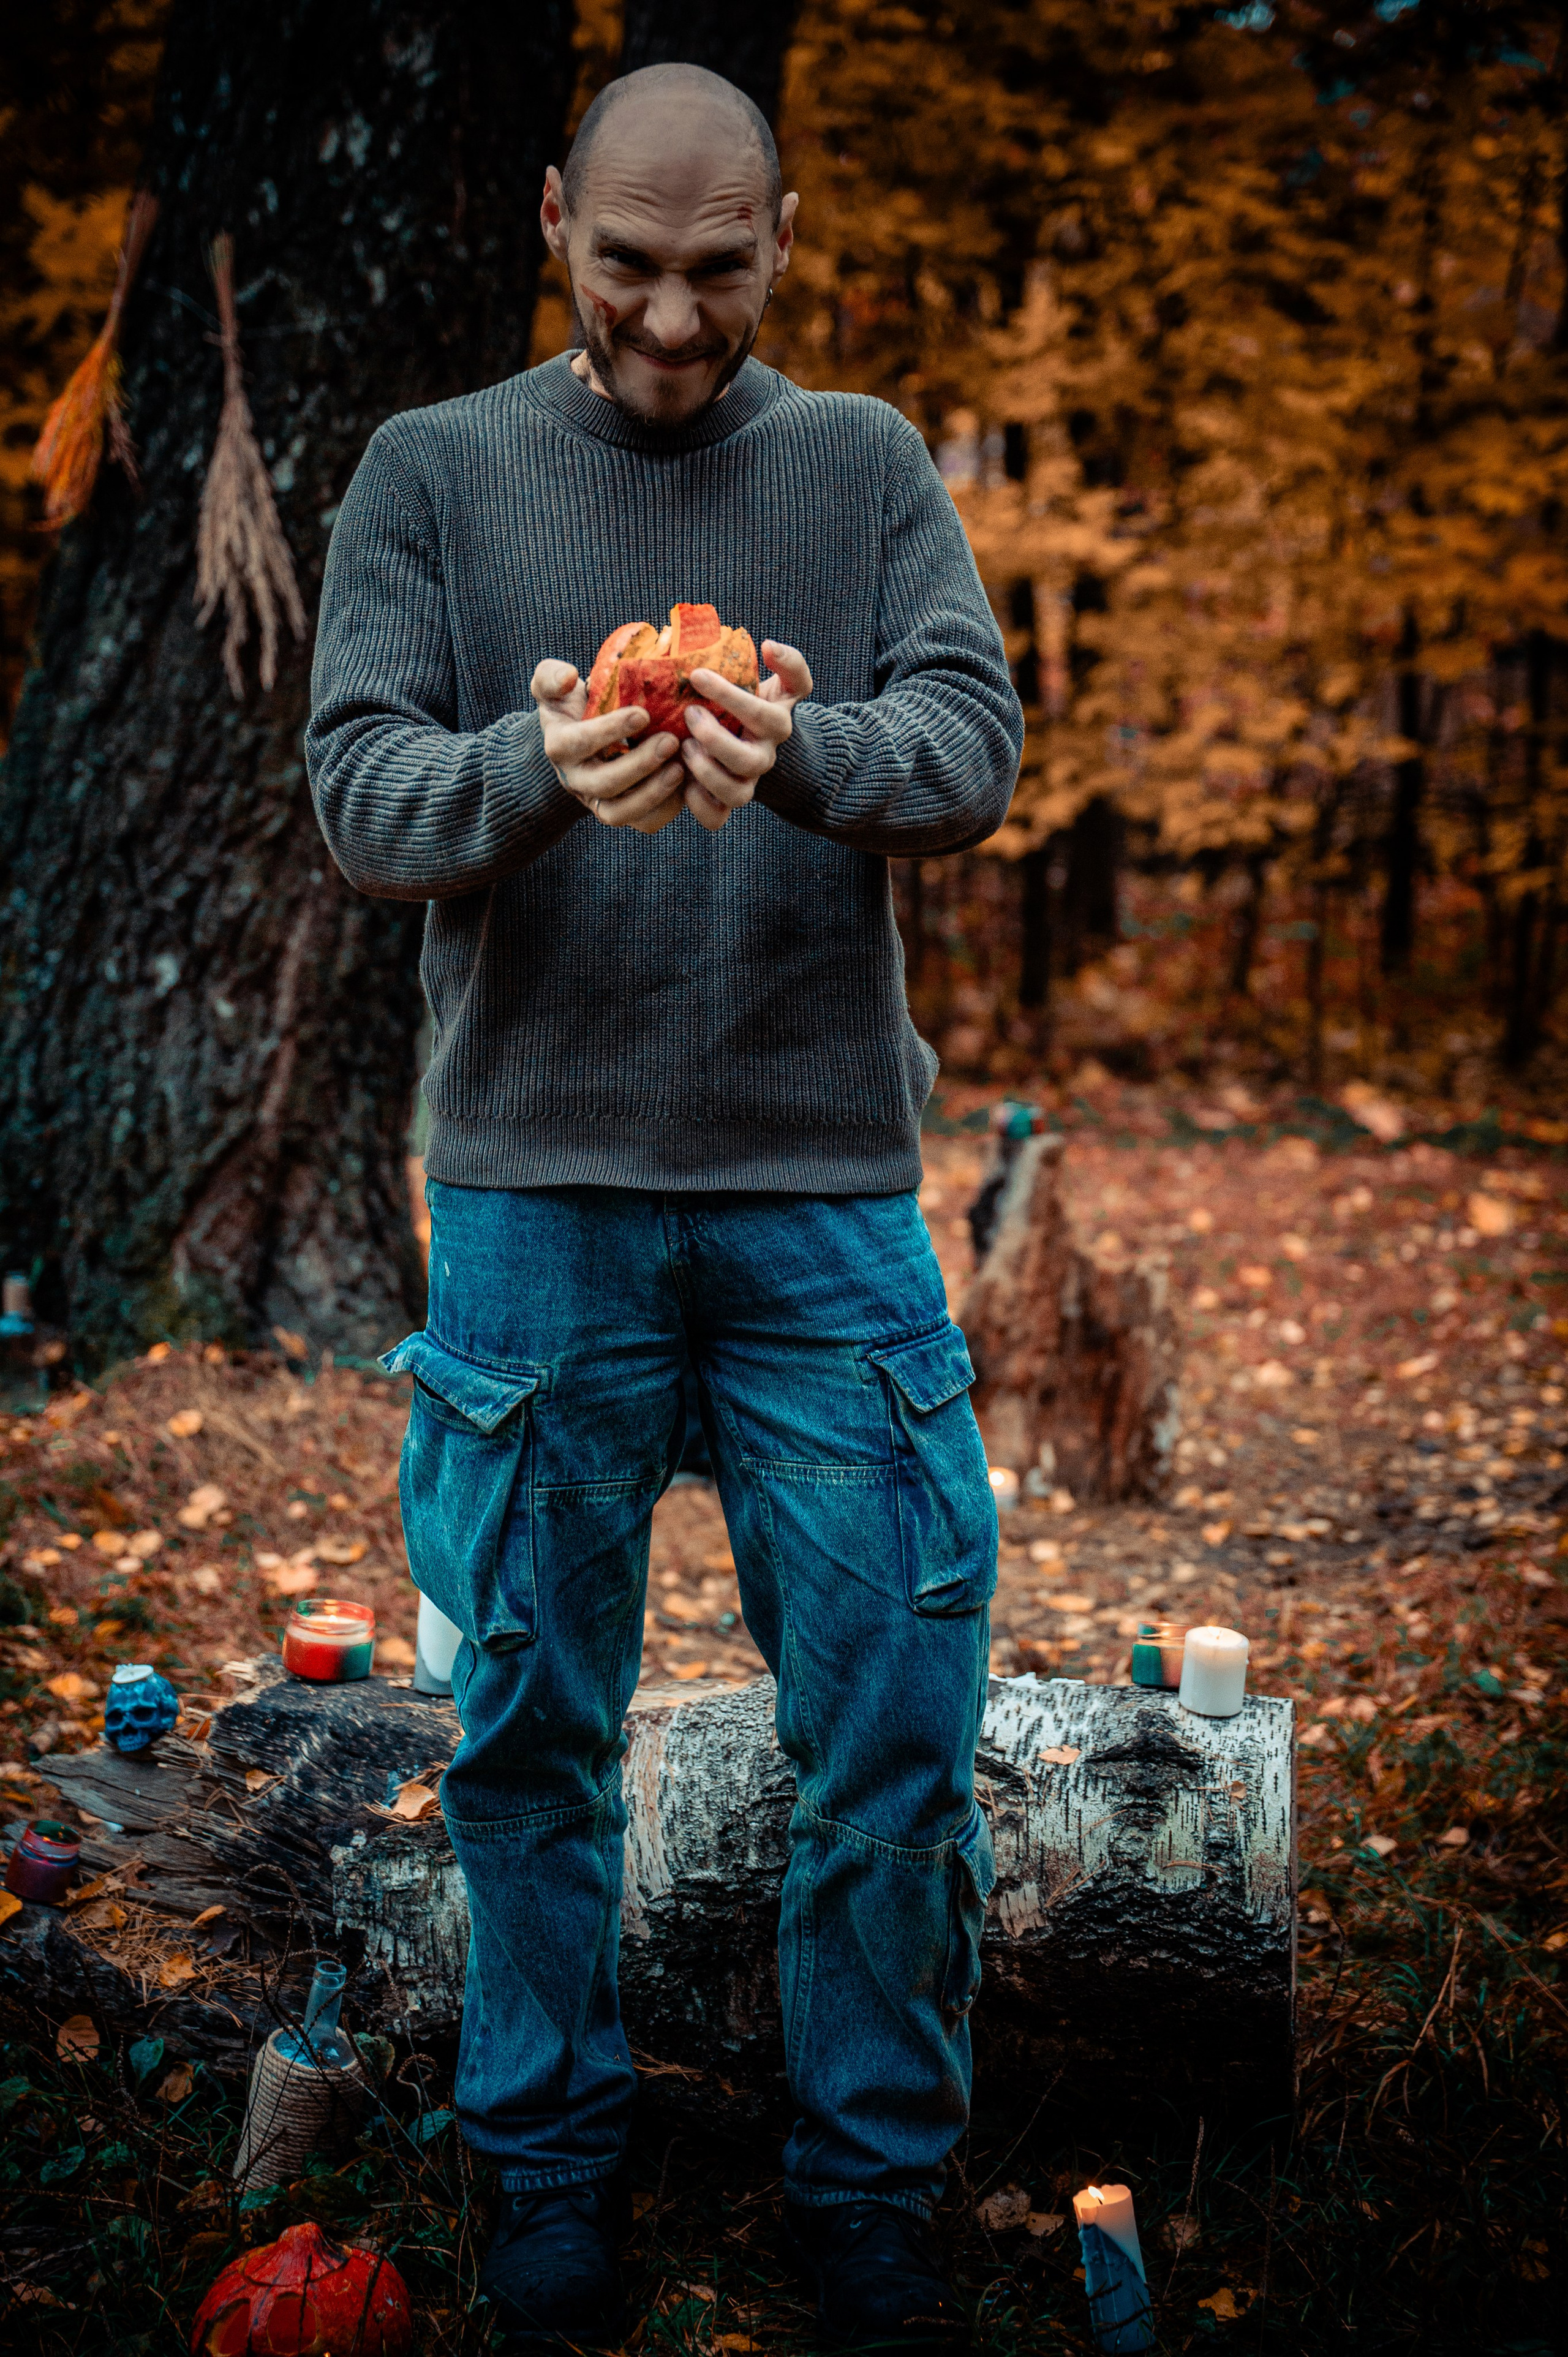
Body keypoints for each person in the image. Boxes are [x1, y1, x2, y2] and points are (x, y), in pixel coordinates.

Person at [307, 61, 1023, 2350]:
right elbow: (365, 793)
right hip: (533, 1199)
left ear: (784, 242)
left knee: (895, 1721)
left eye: (721, 269)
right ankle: (544, 2178)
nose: (676, 317)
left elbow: (974, 748)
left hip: (824, 1192)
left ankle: (873, 2197)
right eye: (629, 263)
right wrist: (541, 763)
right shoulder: (432, 472)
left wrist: (798, 740)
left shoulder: (864, 465)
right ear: (553, 223)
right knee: (530, 1721)